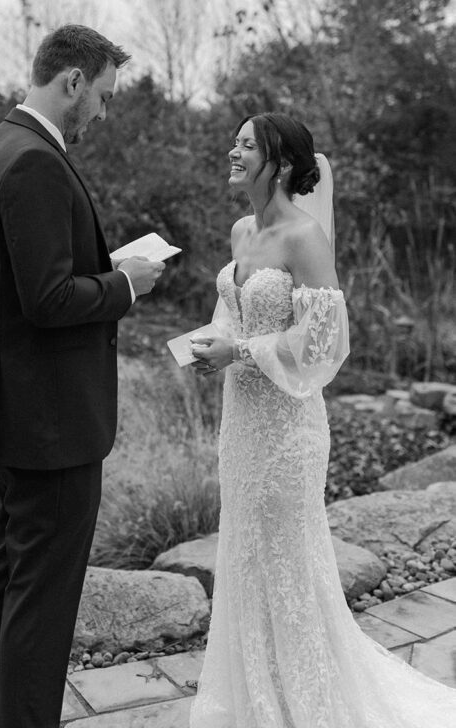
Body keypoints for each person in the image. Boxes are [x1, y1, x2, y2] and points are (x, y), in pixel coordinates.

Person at [188, 112, 456, 727]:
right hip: (242, 425)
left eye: (246, 145)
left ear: (279, 164)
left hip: (288, 432)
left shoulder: (305, 238)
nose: (233, 151)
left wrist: (243, 352)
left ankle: (308, 705)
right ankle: (255, 699)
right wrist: (211, 343)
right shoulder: (239, 232)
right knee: (247, 559)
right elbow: (233, 315)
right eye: (235, 141)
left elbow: (323, 344)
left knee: (287, 563)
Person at [0, 24, 165, 728]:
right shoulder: (34, 161)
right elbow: (47, 300)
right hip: (50, 424)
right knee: (41, 605)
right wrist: (126, 284)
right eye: (102, 96)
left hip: (17, 415)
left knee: (13, 583)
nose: (102, 113)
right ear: (71, 81)